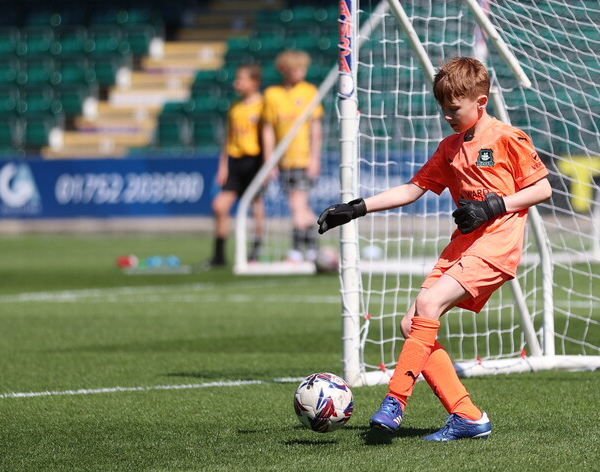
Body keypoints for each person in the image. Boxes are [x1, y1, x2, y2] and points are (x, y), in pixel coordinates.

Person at [317, 57, 552, 441]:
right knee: (411, 323)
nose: (447, 116)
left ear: (481, 101)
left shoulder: (509, 137)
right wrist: (355, 208)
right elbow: (412, 190)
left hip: (496, 246)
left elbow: (542, 189)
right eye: (443, 109)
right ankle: (468, 416)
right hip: (461, 248)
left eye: (454, 109)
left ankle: (395, 401)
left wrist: (493, 206)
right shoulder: (450, 147)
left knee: (427, 307)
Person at [262, 49, 323, 262]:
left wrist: (315, 158)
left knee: (297, 206)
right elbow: (268, 128)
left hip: (303, 159)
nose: (302, 71)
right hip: (284, 159)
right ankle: (314, 249)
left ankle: (297, 250)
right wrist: (270, 160)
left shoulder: (309, 91)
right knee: (301, 207)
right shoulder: (272, 95)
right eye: (297, 68)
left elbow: (316, 128)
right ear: (285, 70)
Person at [209, 63, 271, 267]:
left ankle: (254, 251)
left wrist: (268, 164)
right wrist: (223, 166)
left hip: (255, 162)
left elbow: (269, 135)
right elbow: (228, 139)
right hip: (236, 163)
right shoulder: (235, 108)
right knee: (219, 206)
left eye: (241, 79)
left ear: (254, 82)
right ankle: (219, 256)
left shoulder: (264, 105)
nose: (237, 83)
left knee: (256, 207)